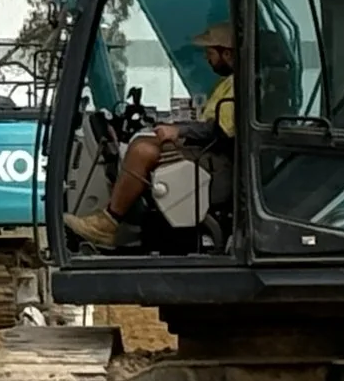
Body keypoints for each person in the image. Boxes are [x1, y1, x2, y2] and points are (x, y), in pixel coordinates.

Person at [64, 20, 235, 249]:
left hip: (218, 159)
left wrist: (178, 130)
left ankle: (109, 223)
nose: (207, 58)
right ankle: (117, 216)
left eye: (210, 52)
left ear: (227, 54)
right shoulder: (227, 83)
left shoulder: (237, 85)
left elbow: (220, 130)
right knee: (142, 141)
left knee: (142, 151)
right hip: (208, 149)